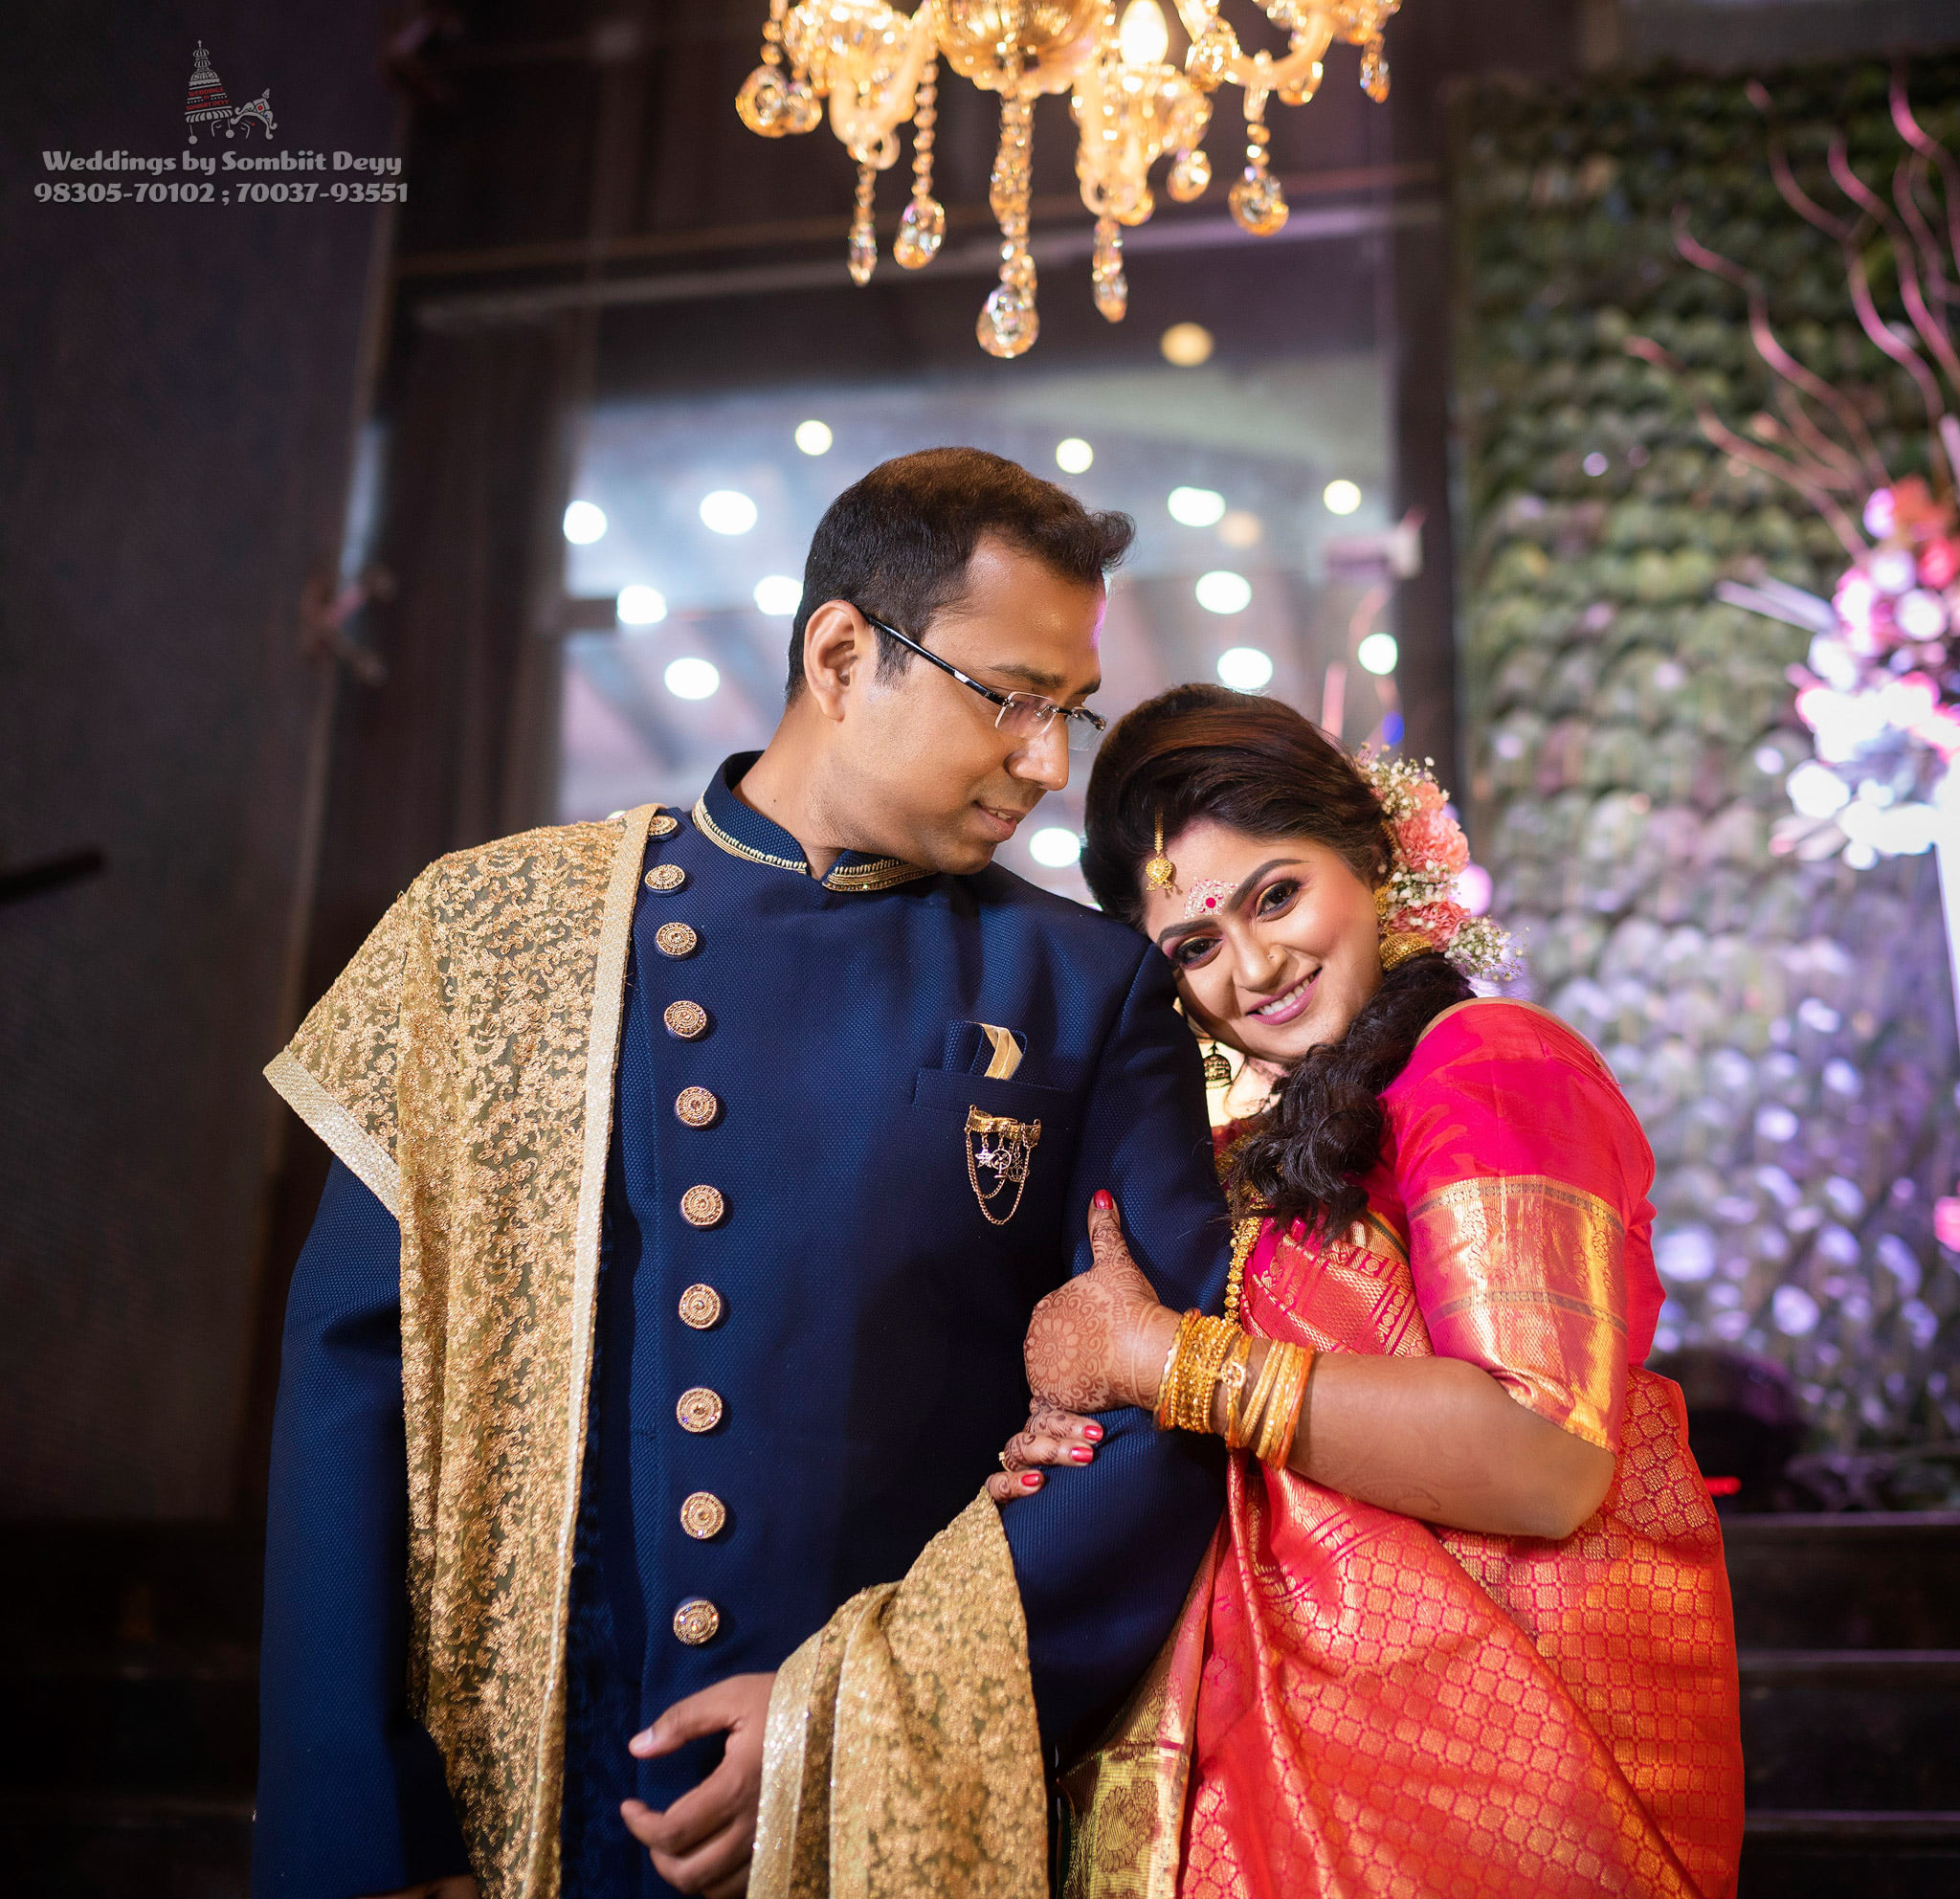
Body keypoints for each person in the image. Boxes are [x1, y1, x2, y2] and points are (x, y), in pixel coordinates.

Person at [254, 450, 1234, 1899]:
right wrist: (366, 1835)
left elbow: (1171, 1413)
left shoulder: (1080, 985)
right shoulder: (494, 933)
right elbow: (356, 1384)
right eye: (1013, 699)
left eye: (1068, 714)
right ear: (844, 654)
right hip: (535, 1802)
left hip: (868, 1817)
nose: (1046, 762)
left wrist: (849, 1716)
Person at [992, 686, 1746, 1899]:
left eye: (1275, 893)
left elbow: (1539, 1453)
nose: (1253, 966)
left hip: (1482, 1789)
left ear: (1370, 854)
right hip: (1285, 1772)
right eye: (1193, 945)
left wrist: (1162, 1362)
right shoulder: (1258, 1145)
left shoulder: (1488, 1063)